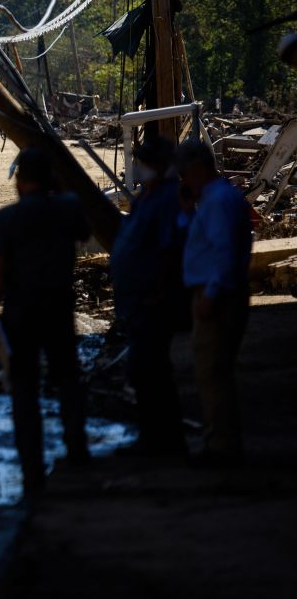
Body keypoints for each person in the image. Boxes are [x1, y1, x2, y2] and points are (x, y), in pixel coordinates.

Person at [0, 147, 91, 498]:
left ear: (21, 180)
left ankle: (31, 463)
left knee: (24, 387)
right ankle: (77, 449)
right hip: (59, 306)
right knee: (67, 379)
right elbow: (83, 232)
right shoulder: (69, 208)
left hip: (21, 312)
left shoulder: (7, 218)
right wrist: (60, 189)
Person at [176, 140, 253, 467]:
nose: (183, 180)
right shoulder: (213, 199)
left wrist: (210, 293)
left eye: (184, 173)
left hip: (218, 297)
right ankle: (220, 439)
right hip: (216, 292)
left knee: (212, 372)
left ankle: (222, 447)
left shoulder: (219, 201)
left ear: (197, 169)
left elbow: (225, 253)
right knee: (213, 372)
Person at [110, 138, 188, 457]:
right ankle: (154, 436)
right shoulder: (148, 196)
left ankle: (162, 440)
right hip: (137, 299)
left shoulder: (169, 199)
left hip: (153, 300)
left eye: (145, 163)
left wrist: (156, 292)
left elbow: (170, 252)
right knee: (145, 370)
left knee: (149, 369)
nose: (140, 168)